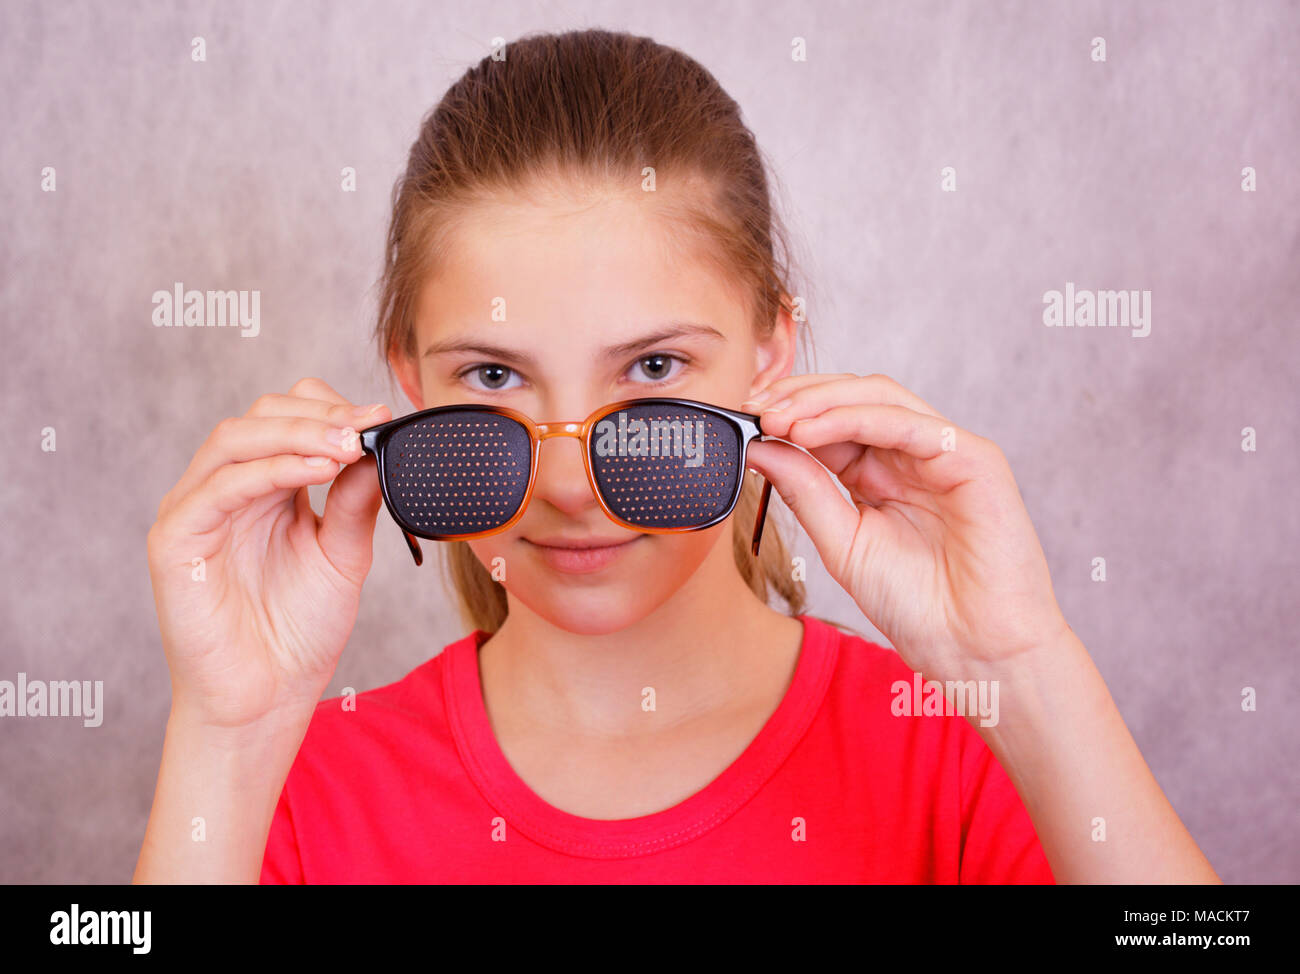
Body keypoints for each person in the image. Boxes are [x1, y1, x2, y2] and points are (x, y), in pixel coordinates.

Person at [133, 28, 1219, 884]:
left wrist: (1021, 670)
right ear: (409, 384)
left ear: (767, 358)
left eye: (652, 369)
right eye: (495, 377)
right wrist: (227, 737)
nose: (566, 483)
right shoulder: (298, 787)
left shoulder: (952, 751)